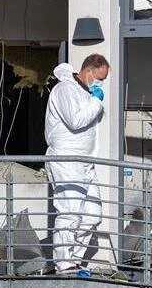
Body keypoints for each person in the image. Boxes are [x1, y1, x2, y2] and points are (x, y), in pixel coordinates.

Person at [44, 53, 109, 275]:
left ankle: (74, 259)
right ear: (89, 70)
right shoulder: (64, 90)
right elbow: (76, 120)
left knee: (92, 214)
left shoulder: (85, 92)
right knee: (69, 211)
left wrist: (94, 99)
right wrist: (97, 100)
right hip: (66, 159)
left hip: (85, 162)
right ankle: (64, 264)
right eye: (100, 77)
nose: (101, 83)